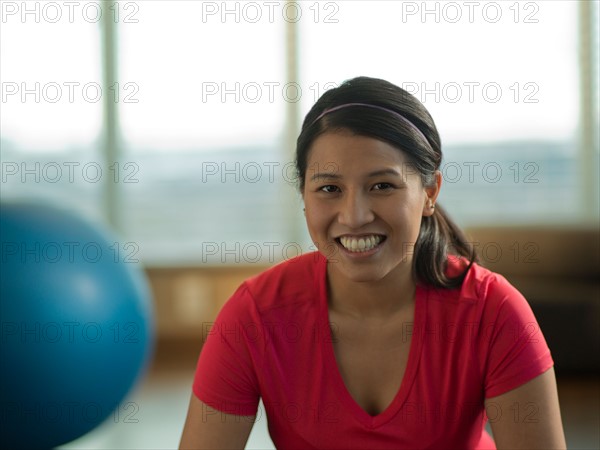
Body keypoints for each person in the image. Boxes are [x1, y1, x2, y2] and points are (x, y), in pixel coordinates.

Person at [180, 77, 566, 449]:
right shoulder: (255, 316)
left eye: (382, 186)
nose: (354, 216)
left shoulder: (493, 312)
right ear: (303, 197)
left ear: (429, 192)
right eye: (329, 189)